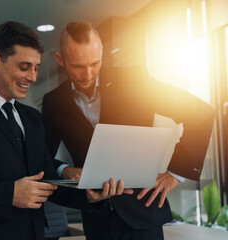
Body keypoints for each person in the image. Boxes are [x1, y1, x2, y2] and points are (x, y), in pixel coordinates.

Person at [0, 21, 130, 240]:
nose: (33, 77)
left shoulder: (32, 118)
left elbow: (47, 179)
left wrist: (89, 195)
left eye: (36, 68)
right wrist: (9, 195)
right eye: (24, 67)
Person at [41, 21, 215, 240]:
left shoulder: (134, 81)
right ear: (60, 60)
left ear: (102, 52)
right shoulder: (53, 102)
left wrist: (175, 173)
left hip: (143, 215)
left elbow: (200, 113)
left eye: (95, 63)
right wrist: (65, 169)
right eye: (77, 66)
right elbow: (41, 157)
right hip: (97, 220)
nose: (88, 74)